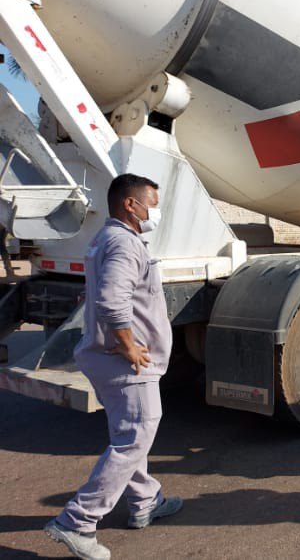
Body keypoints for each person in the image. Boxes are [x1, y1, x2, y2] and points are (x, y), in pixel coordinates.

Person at [45, 174, 182, 560]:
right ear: (130, 204)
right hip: (125, 364)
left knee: (130, 434)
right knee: (135, 436)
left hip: (106, 358)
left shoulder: (108, 237)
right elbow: (110, 301)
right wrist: (129, 347)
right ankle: (77, 522)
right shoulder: (124, 243)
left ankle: (145, 502)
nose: (154, 212)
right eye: (151, 204)